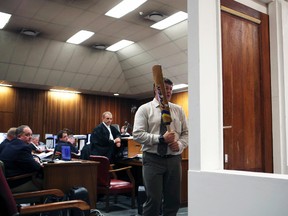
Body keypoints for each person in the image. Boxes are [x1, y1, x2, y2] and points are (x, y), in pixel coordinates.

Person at [133, 77, 188, 216]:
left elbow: (186, 133)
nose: (169, 91)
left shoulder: (178, 110)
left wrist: (180, 144)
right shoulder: (144, 109)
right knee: (154, 200)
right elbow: (137, 134)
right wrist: (160, 139)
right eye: (165, 88)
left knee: (173, 200)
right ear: (156, 89)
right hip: (152, 160)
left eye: (170, 89)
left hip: (174, 160)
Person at [0, 125, 43, 192]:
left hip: (7, 183)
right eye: (27, 135)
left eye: (31, 135)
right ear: (19, 136)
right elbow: (36, 167)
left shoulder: (9, 144)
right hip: (16, 183)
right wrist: (37, 162)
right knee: (47, 181)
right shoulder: (23, 148)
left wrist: (33, 159)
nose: (30, 137)